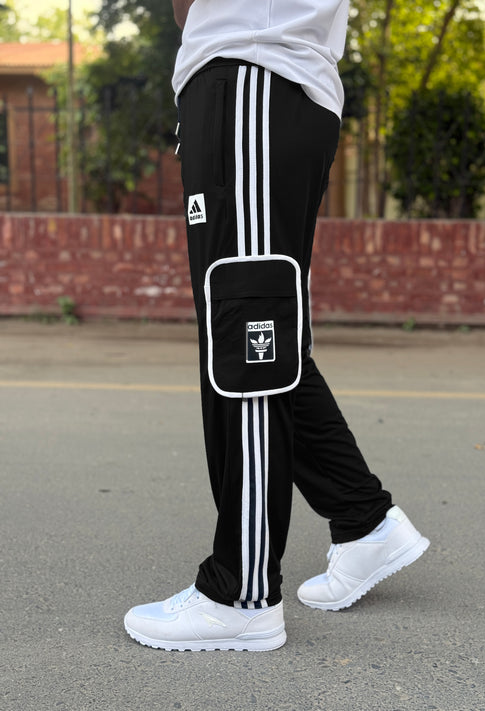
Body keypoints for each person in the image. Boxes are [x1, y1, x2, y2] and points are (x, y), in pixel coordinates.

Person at [124, 0, 429, 652]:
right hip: (253, 79)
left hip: (253, 74)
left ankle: (242, 592)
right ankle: (363, 520)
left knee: (247, 337)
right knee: (254, 334)